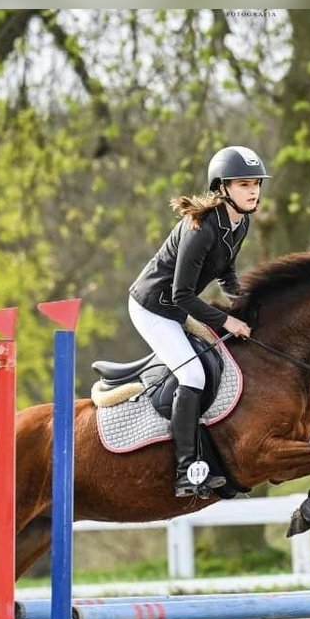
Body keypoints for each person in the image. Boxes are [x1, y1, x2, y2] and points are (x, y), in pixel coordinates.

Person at [128, 145, 268, 497]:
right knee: (192, 374)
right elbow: (182, 296)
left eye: (256, 184)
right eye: (243, 184)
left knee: (220, 361)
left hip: (176, 308)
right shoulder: (201, 228)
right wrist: (228, 322)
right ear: (223, 188)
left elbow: (226, 271)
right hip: (152, 308)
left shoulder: (240, 222)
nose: (253, 191)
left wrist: (244, 302)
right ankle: (185, 468)